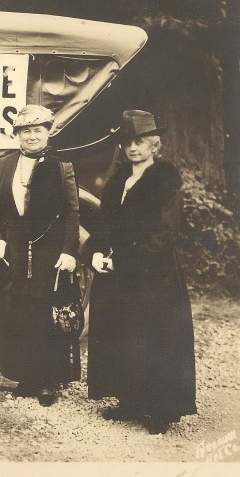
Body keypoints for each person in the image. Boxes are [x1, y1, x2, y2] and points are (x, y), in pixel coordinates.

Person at [81, 110, 197, 434]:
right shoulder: (119, 180)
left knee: (154, 336)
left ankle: (161, 410)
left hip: (153, 273)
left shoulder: (164, 180)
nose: (133, 148)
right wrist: (95, 254)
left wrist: (125, 261)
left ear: (154, 144)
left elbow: (163, 233)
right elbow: (107, 225)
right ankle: (129, 401)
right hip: (121, 272)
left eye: (140, 141)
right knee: (124, 333)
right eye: (128, 142)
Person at [0, 104, 80, 406]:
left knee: (43, 310)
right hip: (12, 247)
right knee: (17, 309)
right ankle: (25, 376)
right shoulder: (5, 164)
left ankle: (48, 381)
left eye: (38, 130)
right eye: (25, 130)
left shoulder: (60, 166)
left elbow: (71, 211)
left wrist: (69, 251)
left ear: (48, 132)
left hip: (48, 248)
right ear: (17, 135)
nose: (32, 136)